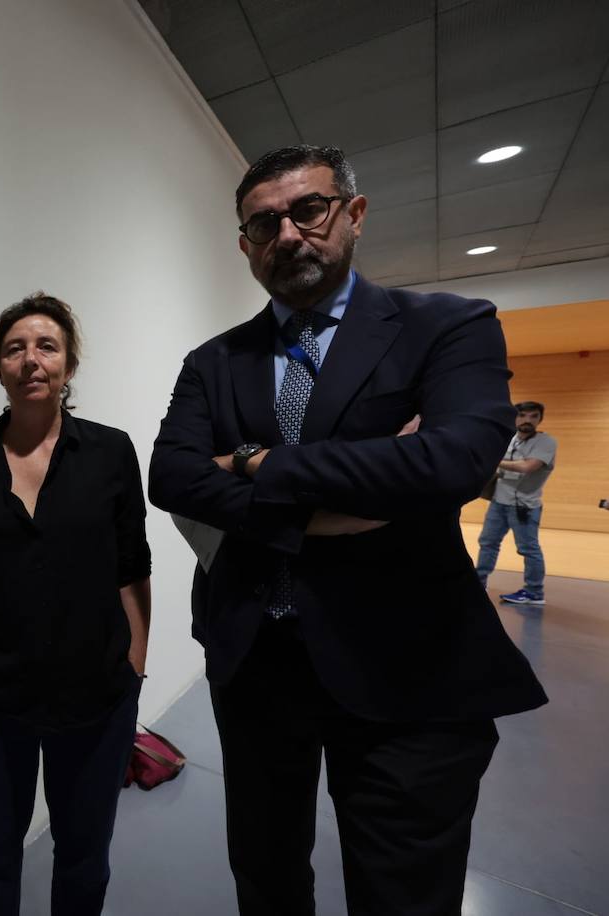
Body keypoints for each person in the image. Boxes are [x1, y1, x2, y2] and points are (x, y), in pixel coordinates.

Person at [147, 145, 547, 916]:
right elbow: (172, 478)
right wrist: (353, 493)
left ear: (353, 215)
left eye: (309, 209)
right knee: (266, 881)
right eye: (264, 223)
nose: (288, 234)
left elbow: (456, 462)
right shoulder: (214, 361)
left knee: (403, 895)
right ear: (245, 245)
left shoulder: (447, 327)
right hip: (256, 664)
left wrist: (258, 464)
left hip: (409, 669)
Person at [0, 293, 152, 916]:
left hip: (96, 691)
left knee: (84, 852)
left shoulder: (111, 453)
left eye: (46, 346)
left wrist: (134, 669)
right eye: (15, 348)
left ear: (68, 365)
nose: (31, 359)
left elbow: (133, 567)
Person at [476, 400, 557, 607]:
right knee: (487, 543)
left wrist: (493, 460)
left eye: (533, 416)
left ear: (540, 419)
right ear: (515, 417)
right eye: (522, 415)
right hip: (498, 502)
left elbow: (528, 466)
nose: (527, 420)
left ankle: (534, 592)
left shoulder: (546, 442)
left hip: (524, 507)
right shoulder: (510, 439)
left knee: (528, 549)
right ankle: (478, 582)